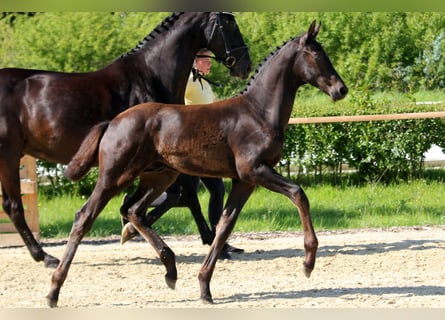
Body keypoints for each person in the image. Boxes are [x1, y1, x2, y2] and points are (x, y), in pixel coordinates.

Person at [185, 48, 243, 258]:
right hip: (193, 146)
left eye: (210, 61)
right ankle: (217, 242)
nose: (210, 64)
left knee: (214, 191)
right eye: (206, 61)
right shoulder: (188, 81)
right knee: (208, 191)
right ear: (195, 61)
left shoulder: (204, 84)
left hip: (207, 145)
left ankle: (218, 241)